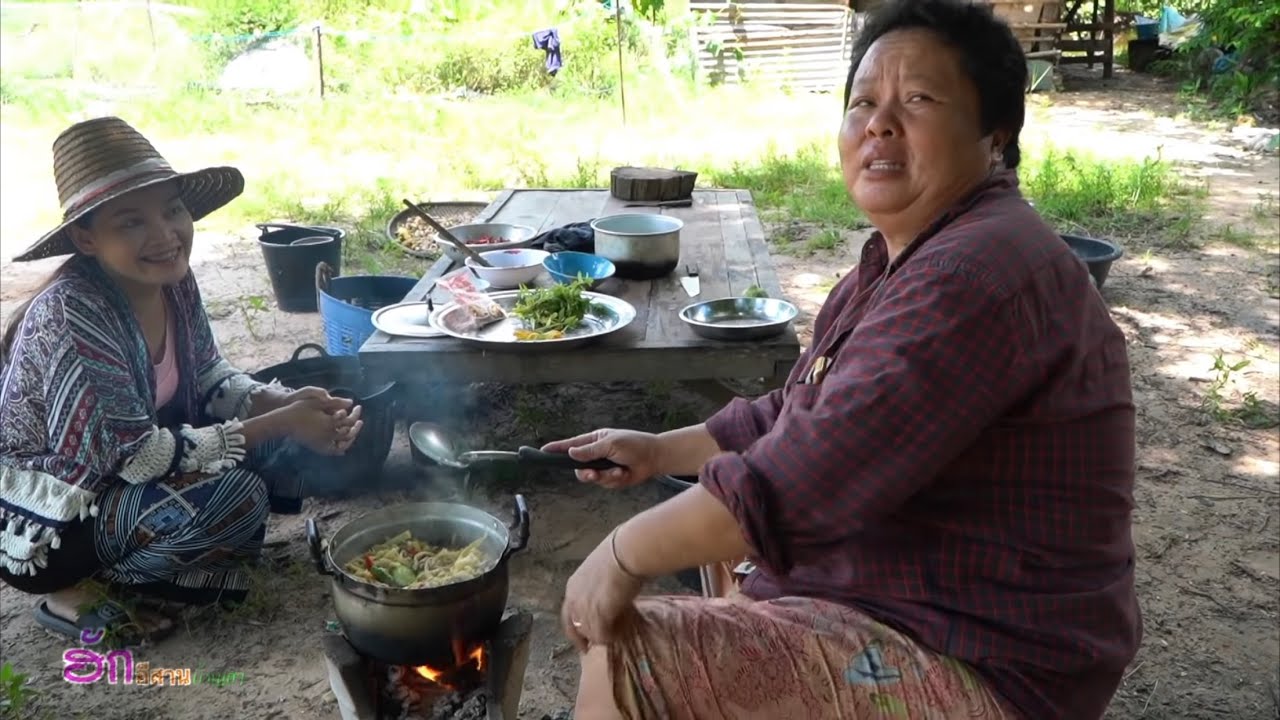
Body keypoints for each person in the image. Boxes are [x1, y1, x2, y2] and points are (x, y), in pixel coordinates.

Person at [542, 1, 1142, 718]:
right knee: (718, 552)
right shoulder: (909, 255)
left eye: (918, 99)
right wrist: (658, 450)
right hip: (918, 599)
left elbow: (805, 478)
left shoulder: (974, 272)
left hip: (986, 660)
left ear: (995, 134)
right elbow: (798, 410)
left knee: (628, 648)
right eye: (863, 102)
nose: (880, 123)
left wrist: (621, 551)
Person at [0, 116, 364, 644]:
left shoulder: (174, 278)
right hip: (56, 523)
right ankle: (79, 591)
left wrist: (276, 401)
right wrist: (282, 420)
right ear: (86, 237)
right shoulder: (73, 314)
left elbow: (210, 374)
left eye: (172, 210)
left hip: (133, 481)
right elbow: (136, 457)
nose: (165, 235)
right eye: (131, 223)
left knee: (279, 450)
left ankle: (172, 558)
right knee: (237, 494)